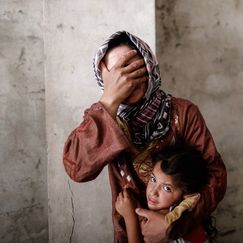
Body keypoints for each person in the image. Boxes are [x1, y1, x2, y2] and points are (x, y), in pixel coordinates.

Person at [63, 31, 227, 243]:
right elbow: (77, 169)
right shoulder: (103, 119)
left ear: (149, 66)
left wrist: (173, 224)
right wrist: (109, 100)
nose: (127, 77)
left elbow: (215, 175)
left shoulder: (183, 112)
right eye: (118, 72)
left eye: (134, 67)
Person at [115, 146, 216, 243]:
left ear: (186, 196)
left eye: (167, 188)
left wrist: (129, 217)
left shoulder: (175, 220)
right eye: (153, 179)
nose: (153, 192)